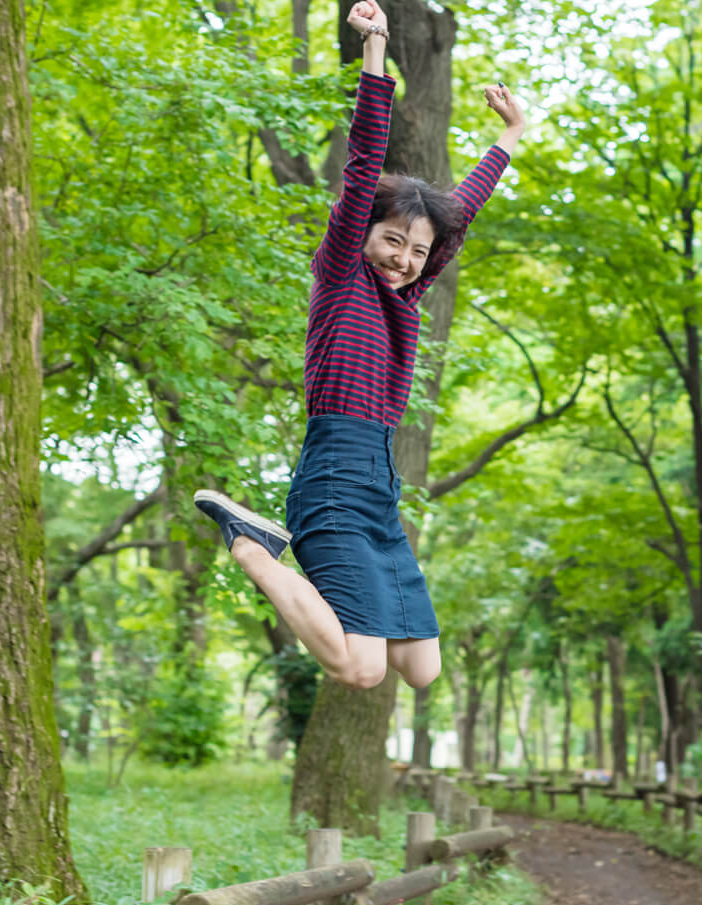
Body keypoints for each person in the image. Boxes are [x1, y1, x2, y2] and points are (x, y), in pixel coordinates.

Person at [193, 0, 525, 692]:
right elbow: (364, 162)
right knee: (360, 667)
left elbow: (457, 217)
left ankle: (265, 547)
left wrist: (512, 137)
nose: (403, 257)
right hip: (334, 480)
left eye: (416, 250)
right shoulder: (341, 272)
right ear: (364, 234)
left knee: (422, 669)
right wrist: (374, 52)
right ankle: (252, 546)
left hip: (379, 488)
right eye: (392, 239)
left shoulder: (406, 300)